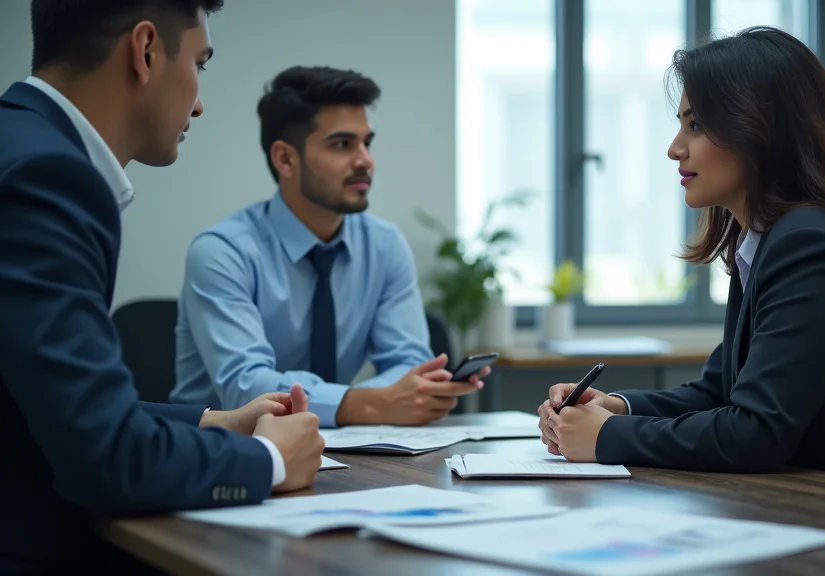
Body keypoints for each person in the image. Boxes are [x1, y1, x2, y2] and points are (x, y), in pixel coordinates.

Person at [537, 27, 825, 493]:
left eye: (696, 125)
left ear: (758, 130)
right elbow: (719, 392)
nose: (675, 148)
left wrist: (607, 438)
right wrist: (616, 408)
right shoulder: (767, 243)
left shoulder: (812, 246)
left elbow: (756, 432)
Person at [0, 1, 325, 573]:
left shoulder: (19, 143)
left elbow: (41, 402)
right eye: (200, 63)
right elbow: (105, 459)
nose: (198, 102)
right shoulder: (48, 177)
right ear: (145, 50)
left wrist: (216, 422)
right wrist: (267, 458)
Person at [170, 65, 488, 427]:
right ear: (285, 159)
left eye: (366, 143)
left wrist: (379, 401)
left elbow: (409, 366)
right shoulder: (222, 252)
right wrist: (369, 404)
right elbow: (247, 388)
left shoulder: (383, 245)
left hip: (344, 451)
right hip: (216, 455)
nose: (365, 161)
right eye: (342, 144)